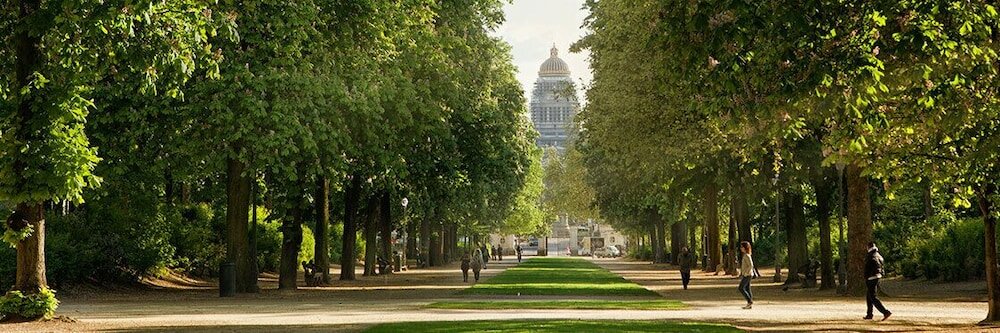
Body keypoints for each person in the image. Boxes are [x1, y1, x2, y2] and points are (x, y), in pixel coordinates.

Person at [864, 242, 892, 321]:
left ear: (868, 247)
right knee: (869, 296)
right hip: (877, 276)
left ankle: (885, 312)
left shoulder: (870, 256)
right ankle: (869, 314)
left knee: (873, 297)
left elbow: (868, 268)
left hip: (871, 277)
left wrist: (866, 276)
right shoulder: (879, 255)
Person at [738, 241, 758, 309]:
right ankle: (749, 304)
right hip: (747, 274)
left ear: (745, 248)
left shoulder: (747, 255)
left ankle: (749, 301)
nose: (741, 248)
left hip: (748, 274)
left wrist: (746, 273)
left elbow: (751, 265)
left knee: (741, 288)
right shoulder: (746, 255)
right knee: (747, 288)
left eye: (742, 247)